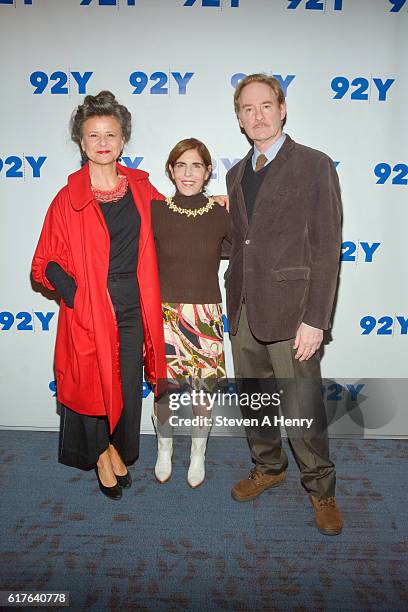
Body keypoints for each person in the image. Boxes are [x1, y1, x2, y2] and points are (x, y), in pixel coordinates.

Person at [31, 91, 167, 501]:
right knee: (91, 385)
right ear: (81, 142)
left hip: (132, 304)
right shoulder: (68, 198)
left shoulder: (142, 189)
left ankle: (115, 447)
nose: (103, 142)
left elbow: (175, 225)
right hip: (90, 307)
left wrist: (210, 207)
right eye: (94, 135)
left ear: (124, 138)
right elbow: (45, 263)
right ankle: (102, 455)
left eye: (111, 133)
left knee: (125, 385)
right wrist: (78, 296)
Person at [225, 74, 343, 535]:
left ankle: (322, 490)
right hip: (244, 308)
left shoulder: (314, 165)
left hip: (294, 311)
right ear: (238, 118)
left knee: (302, 406)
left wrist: (316, 317)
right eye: (247, 109)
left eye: (265, 106)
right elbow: (241, 241)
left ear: (283, 108)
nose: (257, 115)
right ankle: (268, 467)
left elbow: (327, 245)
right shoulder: (236, 173)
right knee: (255, 401)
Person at [151, 138, 231, 488]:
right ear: (170, 170)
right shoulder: (153, 212)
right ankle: (164, 450)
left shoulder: (220, 215)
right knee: (164, 393)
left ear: (208, 171)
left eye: (196, 165)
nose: (188, 173)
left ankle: (198, 453)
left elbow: (246, 249)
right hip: (164, 315)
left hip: (205, 316)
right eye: (181, 165)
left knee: (202, 392)